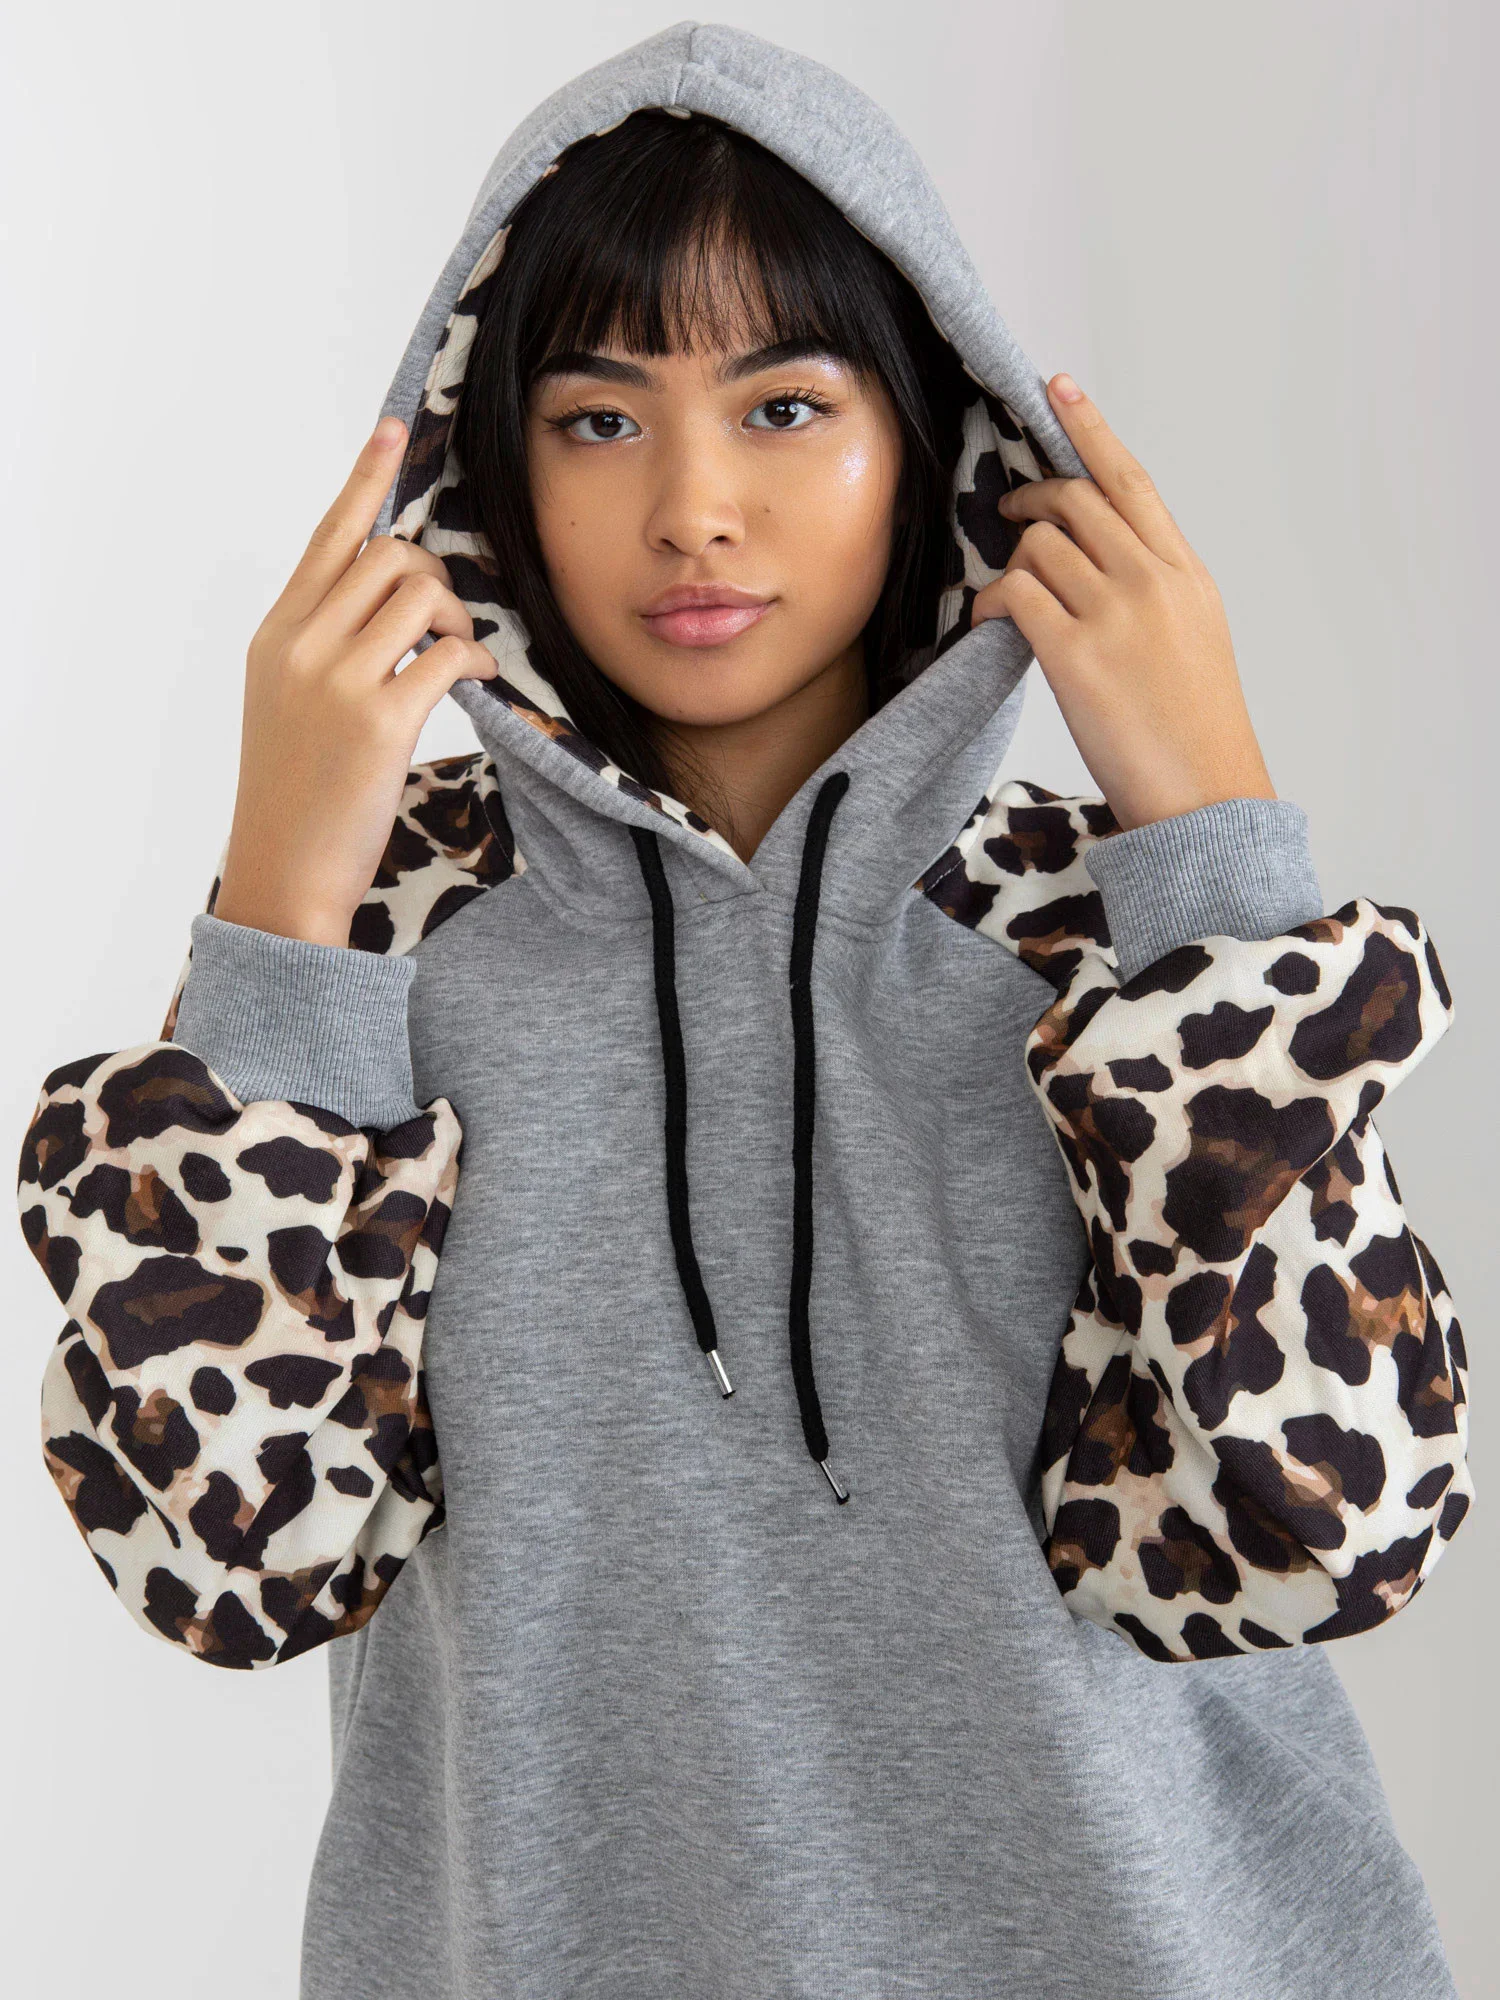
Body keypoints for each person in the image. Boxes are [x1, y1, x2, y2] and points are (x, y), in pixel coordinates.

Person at [16, 22, 1472, 2000]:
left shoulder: (1104, 926)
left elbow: (1338, 1526)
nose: (695, 505)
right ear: (486, 462)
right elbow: (234, 1565)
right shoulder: (375, 939)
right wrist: (280, 905)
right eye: (597, 419)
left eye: (786, 406)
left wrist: (1213, 845)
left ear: (933, 440)